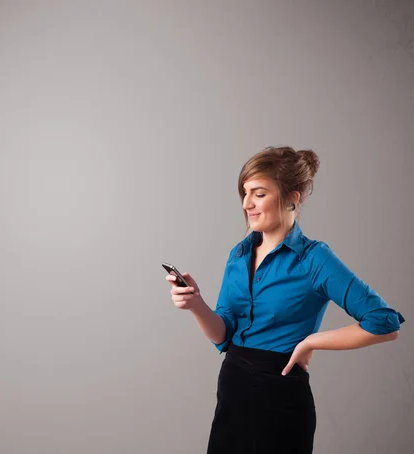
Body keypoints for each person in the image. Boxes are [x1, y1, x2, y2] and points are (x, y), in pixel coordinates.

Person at [165, 146, 405, 454]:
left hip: (280, 401)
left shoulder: (314, 258)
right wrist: (196, 303)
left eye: (259, 193)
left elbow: (384, 323)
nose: (247, 203)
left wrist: (311, 342)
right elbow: (223, 336)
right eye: (245, 192)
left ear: (292, 198)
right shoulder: (238, 255)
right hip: (232, 393)